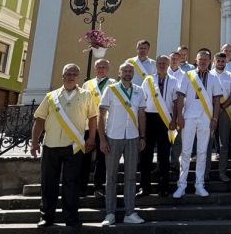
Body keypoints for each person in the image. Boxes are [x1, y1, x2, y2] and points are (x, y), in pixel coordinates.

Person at [30, 64, 98, 228]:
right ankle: (46, 216)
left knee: (72, 183)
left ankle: (71, 216)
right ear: (63, 76)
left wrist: (92, 138)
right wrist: (34, 142)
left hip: (74, 147)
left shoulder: (87, 95)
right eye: (68, 73)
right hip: (50, 145)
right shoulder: (51, 96)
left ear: (78, 76)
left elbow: (93, 118)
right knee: (48, 182)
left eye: (74, 74)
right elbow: (39, 120)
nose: (71, 76)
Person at [98, 62, 146, 226]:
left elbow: (141, 115)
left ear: (133, 73)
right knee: (111, 177)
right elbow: (101, 115)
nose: (127, 73)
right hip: (113, 136)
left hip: (132, 137)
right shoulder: (111, 89)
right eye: (124, 70)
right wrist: (102, 139)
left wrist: (142, 136)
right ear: (119, 72)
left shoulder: (139, 90)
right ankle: (110, 214)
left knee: (131, 177)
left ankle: (129, 212)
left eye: (130, 71)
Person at [173, 51, 222, 198]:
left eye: (206, 59)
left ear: (210, 61)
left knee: (202, 152)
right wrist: (180, 116)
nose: (203, 61)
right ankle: (181, 185)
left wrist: (215, 119)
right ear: (196, 60)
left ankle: (199, 184)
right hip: (188, 118)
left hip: (206, 119)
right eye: (201, 59)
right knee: (186, 152)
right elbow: (180, 97)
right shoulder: (187, 76)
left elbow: (217, 100)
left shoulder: (214, 77)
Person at [138, 55, 180, 197]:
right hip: (149, 118)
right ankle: (145, 187)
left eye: (164, 63)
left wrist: (174, 120)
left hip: (165, 119)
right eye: (160, 63)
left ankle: (164, 187)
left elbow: (176, 104)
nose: (162, 65)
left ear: (168, 65)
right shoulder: (148, 80)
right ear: (156, 64)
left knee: (164, 154)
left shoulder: (174, 81)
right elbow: (142, 102)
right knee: (146, 154)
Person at [81, 58, 115, 198]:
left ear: (108, 69)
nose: (101, 69)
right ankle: (81, 187)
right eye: (98, 67)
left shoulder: (113, 84)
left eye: (103, 67)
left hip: (106, 126)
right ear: (94, 69)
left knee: (102, 158)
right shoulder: (87, 84)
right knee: (85, 157)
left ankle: (98, 187)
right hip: (89, 125)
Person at [207, 52, 231, 183]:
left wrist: (222, 106)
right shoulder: (208, 75)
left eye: (222, 61)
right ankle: (205, 172)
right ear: (214, 61)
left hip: (224, 110)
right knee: (207, 143)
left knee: (224, 143)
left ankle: (222, 172)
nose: (220, 63)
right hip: (209, 111)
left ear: (226, 62)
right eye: (218, 61)